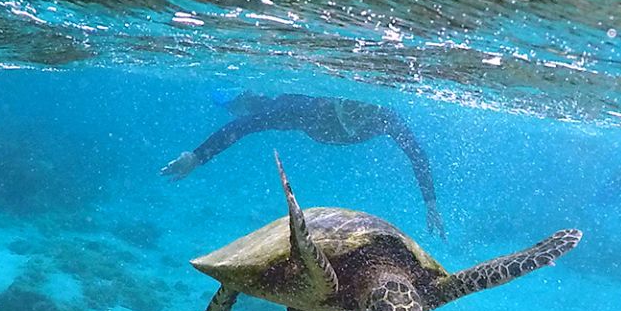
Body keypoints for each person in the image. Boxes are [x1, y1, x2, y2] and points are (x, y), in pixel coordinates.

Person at [162, 92, 447, 238]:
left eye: (367, 110)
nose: (358, 115)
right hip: (291, 103)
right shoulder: (309, 111)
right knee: (259, 108)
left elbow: (417, 154)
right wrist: (198, 156)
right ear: (336, 100)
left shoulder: (385, 117)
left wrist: (430, 202)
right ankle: (234, 97)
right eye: (350, 106)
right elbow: (247, 126)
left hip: (308, 116)